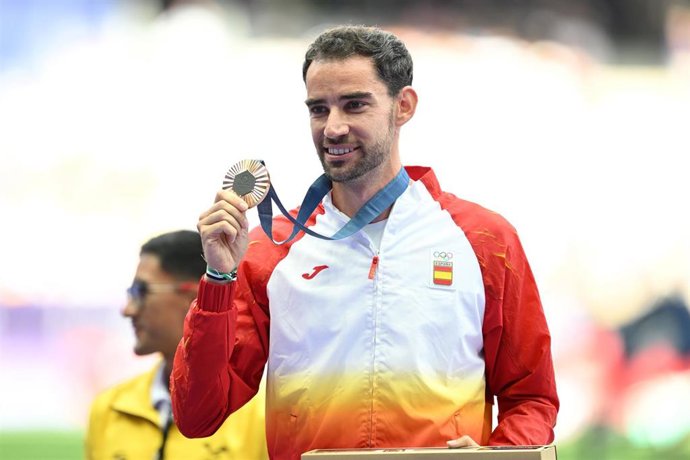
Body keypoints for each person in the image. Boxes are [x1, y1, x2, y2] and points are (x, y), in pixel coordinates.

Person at [171, 25, 559, 459]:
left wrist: (498, 454)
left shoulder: (485, 239)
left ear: (403, 106)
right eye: (319, 110)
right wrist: (219, 278)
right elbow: (197, 415)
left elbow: (532, 398)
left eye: (354, 105)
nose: (333, 128)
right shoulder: (270, 251)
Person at [85, 230, 268, 459]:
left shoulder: (261, 416)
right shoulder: (109, 408)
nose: (127, 310)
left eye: (141, 291)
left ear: (194, 296)